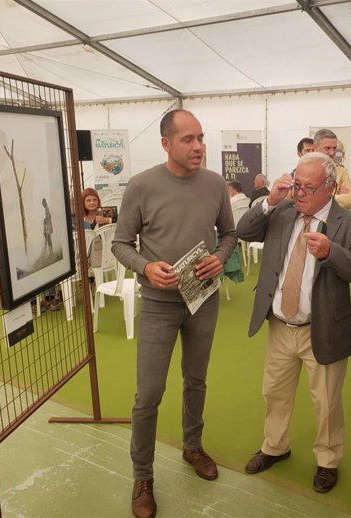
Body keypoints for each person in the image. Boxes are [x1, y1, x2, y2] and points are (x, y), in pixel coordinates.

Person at [112, 109, 237, 518]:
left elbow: (230, 234)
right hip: (159, 306)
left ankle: (192, 446)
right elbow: (121, 243)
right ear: (166, 143)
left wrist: (220, 257)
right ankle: (142, 476)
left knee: (196, 380)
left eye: (201, 137)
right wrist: (145, 267)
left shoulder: (216, 184)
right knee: (148, 395)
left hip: (203, 299)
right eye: (188, 139)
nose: (199, 146)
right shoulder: (141, 185)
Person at [237, 152, 351, 493]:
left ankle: (327, 460)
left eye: (307, 188)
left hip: (322, 328)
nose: (299, 194)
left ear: (330, 188)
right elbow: (244, 230)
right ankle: (275, 446)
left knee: (326, 402)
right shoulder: (282, 211)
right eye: (296, 184)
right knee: (274, 393)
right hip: (281, 324)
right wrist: (270, 199)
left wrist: (330, 252)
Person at [313, 129, 351, 209]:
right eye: (327, 148)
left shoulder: (340, 171)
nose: (332, 153)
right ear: (315, 148)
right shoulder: (305, 170)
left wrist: (326, 197)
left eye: (334, 148)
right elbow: (307, 200)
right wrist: (338, 196)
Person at [82, 187, 112, 268]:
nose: (92, 202)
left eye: (94, 199)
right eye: (88, 200)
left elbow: (122, 221)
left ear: (98, 201)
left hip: (104, 252)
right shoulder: (80, 219)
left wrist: (106, 220)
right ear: (83, 202)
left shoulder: (105, 213)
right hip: (85, 253)